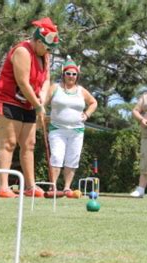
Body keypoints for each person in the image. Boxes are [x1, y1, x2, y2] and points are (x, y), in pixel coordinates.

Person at [0, 17, 59, 198]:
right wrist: (38, 106)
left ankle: (30, 187)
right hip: (7, 100)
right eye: (45, 46)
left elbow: (46, 80)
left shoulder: (44, 55)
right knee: (9, 142)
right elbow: (23, 82)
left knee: (29, 144)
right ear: (37, 41)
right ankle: (3, 187)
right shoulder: (22, 51)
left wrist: (42, 100)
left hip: (28, 102)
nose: (48, 50)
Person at [44, 56, 97, 197]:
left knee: (72, 158)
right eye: (68, 73)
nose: (71, 76)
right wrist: (41, 113)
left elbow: (93, 103)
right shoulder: (55, 88)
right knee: (56, 156)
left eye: (74, 74)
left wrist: (86, 115)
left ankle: (67, 187)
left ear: (77, 76)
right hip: (57, 129)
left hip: (77, 130)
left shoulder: (81, 90)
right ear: (63, 74)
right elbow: (43, 102)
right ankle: (53, 186)